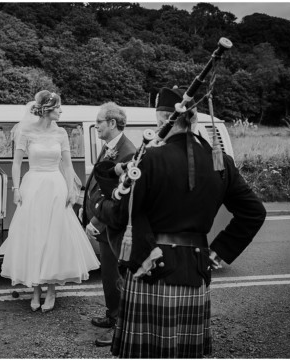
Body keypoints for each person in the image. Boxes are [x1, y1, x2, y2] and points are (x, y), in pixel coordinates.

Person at [110, 87, 266, 358]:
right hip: (196, 269)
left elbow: (127, 213)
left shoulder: (149, 159)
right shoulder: (221, 162)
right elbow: (254, 212)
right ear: (193, 119)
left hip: (150, 269)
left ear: (162, 120)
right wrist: (219, 252)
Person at [0, 90, 99, 312]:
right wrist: (15, 188)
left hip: (55, 185)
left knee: (53, 236)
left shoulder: (62, 133)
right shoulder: (26, 131)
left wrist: (72, 190)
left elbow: (67, 164)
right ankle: (35, 289)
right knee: (35, 235)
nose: (61, 111)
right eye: (58, 107)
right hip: (33, 185)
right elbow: (16, 164)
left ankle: (51, 289)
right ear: (46, 109)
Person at [81, 102, 137, 347]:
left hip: (113, 224)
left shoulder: (128, 152)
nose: (96, 126)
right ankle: (112, 313)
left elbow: (118, 195)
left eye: (99, 122)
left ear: (112, 123)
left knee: (115, 273)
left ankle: (119, 323)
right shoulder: (110, 147)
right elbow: (99, 181)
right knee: (107, 272)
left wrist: (97, 220)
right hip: (104, 220)